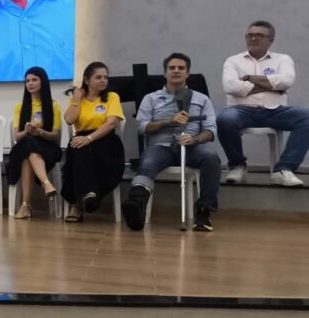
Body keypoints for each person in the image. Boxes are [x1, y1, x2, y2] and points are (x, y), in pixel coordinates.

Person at [122, 53, 219, 232]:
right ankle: (137, 203)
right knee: (148, 161)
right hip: (161, 147)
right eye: (171, 68)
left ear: (187, 73)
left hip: (191, 147)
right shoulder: (150, 98)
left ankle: (204, 211)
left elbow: (211, 130)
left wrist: (195, 139)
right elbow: (141, 127)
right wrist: (168, 122)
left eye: (181, 68)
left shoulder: (202, 99)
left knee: (211, 157)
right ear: (165, 73)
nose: (176, 71)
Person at [219, 20, 308, 187]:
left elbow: (286, 81)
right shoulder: (233, 61)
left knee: (306, 116)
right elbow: (230, 86)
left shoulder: (282, 59)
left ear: (270, 40)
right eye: (250, 35)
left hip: (276, 111)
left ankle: (284, 169)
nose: (253, 38)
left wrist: (249, 79)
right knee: (225, 118)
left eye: (259, 35)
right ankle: (237, 166)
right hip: (241, 111)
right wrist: (272, 86)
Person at [61, 62, 126, 222]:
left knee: (83, 150)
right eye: (98, 77)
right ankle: (90, 194)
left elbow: (111, 123)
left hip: (105, 139)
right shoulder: (77, 99)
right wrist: (77, 99)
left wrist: (89, 138)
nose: (103, 80)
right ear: (87, 80)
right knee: (77, 149)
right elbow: (69, 120)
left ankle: (78, 204)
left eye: (105, 77)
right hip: (81, 138)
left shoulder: (112, 97)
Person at [6, 66, 62, 219]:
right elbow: (17, 137)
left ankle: (26, 205)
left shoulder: (54, 106)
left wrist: (40, 132)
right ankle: (46, 183)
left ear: (43, 81)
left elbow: (55, 136)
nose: (30, 83)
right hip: (24, 144)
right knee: (27, 145)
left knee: (27, 154)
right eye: (27, 81)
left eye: (34, 80)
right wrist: (27, 131)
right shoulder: (20, 106)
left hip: (47, 146)